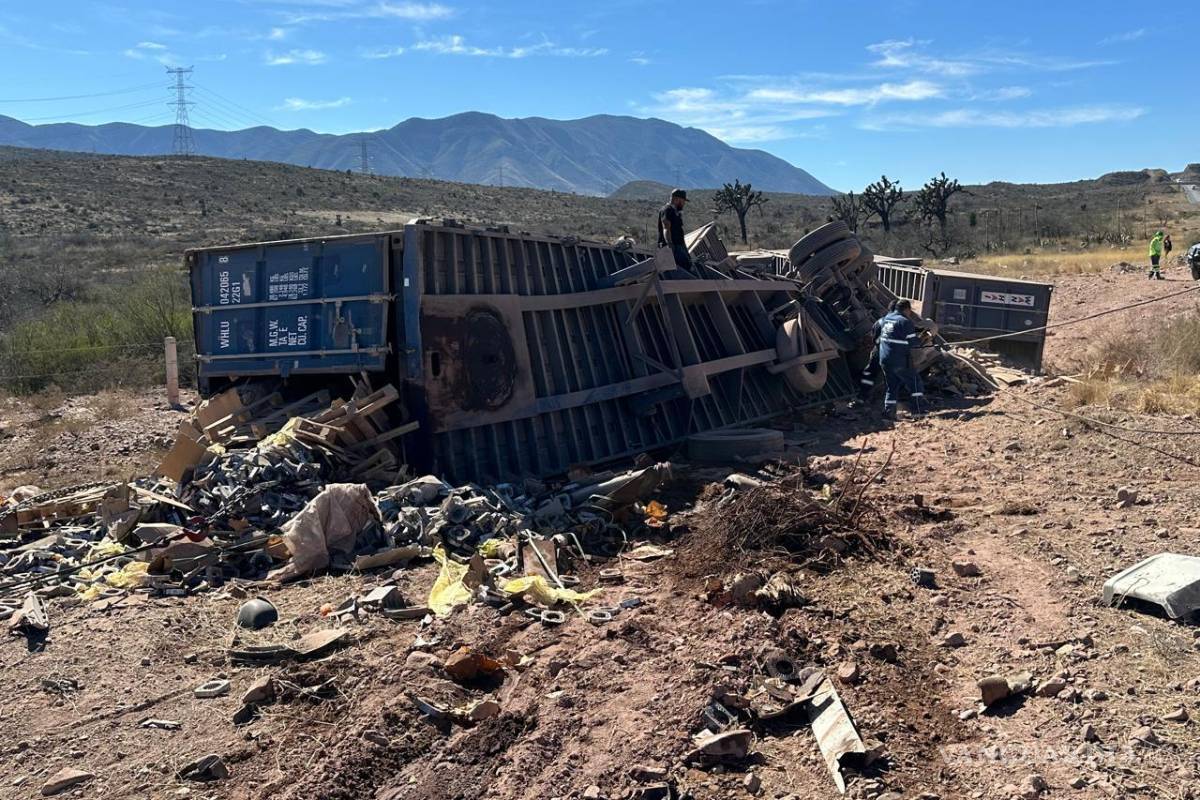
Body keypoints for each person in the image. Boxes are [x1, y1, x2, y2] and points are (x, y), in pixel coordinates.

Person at [878, 299, 925, 420]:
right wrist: (922, 338)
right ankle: (917, 412)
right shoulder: (905, 321)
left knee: (892, 386)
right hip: (899, 360)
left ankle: (889, 412)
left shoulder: (885, 319)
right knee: (915, 384)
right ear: (907, 310)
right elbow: (913, 343)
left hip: (884, 359)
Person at [851, 300, 896, 408]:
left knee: (870, 375)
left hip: (878, 351)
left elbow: (874, 337)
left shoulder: (880, 321)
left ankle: (863, 398)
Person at [658, 189, 690, 268]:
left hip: (679, 246)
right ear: (677, 199)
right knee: (680, 267)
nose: (684, 204)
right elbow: (666, 228)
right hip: (673, 247)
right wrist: (670, 245)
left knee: (687, 264)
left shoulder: (676, 212)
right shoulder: (667, 210)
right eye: (683, 201)